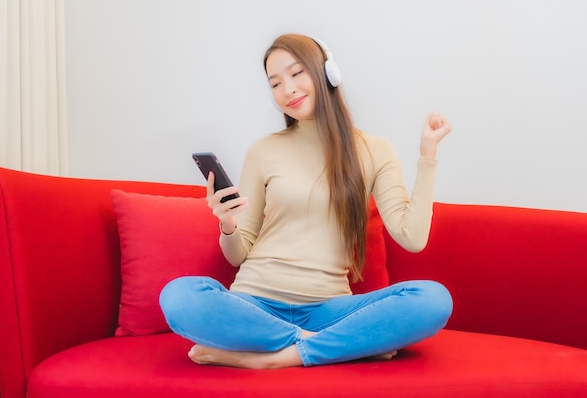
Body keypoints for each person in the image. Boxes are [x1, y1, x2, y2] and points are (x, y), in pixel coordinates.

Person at [160, 33, 453, 369]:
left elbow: (412, 238)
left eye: (297, 73)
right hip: (256, 304)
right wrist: (227, 225)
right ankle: (326, 346)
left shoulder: (374, 150)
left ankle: (270, 359)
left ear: (328, 73)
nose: (288, 90)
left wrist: (427, 155)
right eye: (275, 83)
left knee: (433, 300)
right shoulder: (263, 150)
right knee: (179, 297)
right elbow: (239, 253)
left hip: (329, 310)